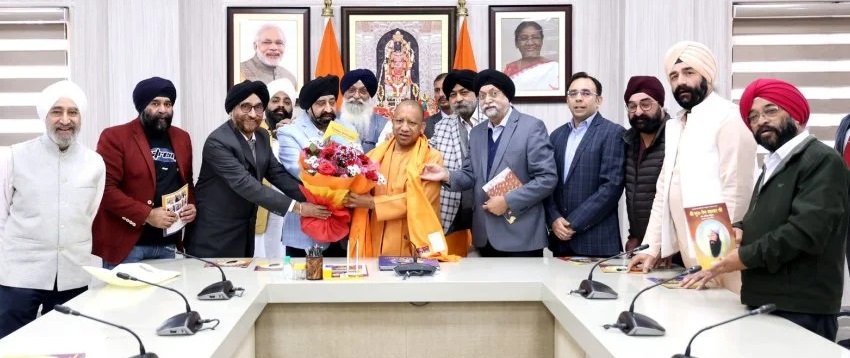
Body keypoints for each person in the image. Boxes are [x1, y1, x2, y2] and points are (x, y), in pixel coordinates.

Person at [681, 78, 850, 342]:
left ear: (796, 115)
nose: (761, 121)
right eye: (753, 116)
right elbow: (767, 218)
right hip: (767, 301)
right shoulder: (773, 163)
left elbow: (804, 233)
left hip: (801, 309)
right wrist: (740, 230)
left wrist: (741, 258)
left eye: (771, 111)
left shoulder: (822, 161)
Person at [629, 41, 757, 293]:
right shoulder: (677, 125)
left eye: (689, 73)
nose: (680, 82)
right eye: (674, 76)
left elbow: (737, 190)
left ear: (707, 76)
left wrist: (716, 257)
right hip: (690, 248)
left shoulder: (730, 117)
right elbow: (663, 189)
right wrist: (651, 247)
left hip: (720, 253)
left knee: (725, 320)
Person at [0, 80, 106, 339]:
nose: (65, 120)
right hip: (20, 275)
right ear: (44, 116)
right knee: (11, 344)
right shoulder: (14, 156)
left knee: (65, 345)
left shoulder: (95, 163)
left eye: (73, 112)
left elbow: (89, 213)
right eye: (56, 111)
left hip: (73, 274)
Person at [421, 69, 557, 257]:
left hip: (520, 235)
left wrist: (507, 201)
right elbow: (470, 174)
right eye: (482, 95)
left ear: (507, 96)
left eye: (494, 93)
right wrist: (446, 175)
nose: (487, 100)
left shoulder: (531, 127)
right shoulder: (477, 133)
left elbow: (547, 179)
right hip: (484, 234)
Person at [187, 80, 330, 258]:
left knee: (243, 285)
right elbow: (247, 185)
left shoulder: (262, 136)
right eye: (246, 107)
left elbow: (277, 174)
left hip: (244, 232)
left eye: (258, 107)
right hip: (214, 235)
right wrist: (299, 207)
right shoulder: (218, 142)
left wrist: (320, 198)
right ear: (232, 110)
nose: (253, 114)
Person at [93, 77, 196, 267]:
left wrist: (190, 205)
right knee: (128, 297)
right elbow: (105, 190)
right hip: (128, 246)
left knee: (168, 297)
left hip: (168, 244)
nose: (163, 109)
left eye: (168, 104)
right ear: (142, 106)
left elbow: (186, 182)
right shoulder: (115, 137)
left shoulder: (182, 138)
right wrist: (148, 215)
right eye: (155, 103)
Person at [344, 100, 444, 256]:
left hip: (414, 245)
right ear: (392, 122)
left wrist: (373, 203)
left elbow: (419, 200)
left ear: (422, 128)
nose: (404, 128)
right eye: (399, 121)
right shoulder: (375, 156)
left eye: (411, 123)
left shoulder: (431, 158)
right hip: (377, 242)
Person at [545, 72, 625, 258]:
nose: (578, 98)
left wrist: (572, 224)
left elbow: (610, 188)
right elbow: (547, 183)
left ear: (599, 100)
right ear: (567, 100)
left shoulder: (613, 133)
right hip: (560, 242)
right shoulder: (556, 136)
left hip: (597, 241)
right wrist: (554, 219)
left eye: (586, 93)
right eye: (573, 94)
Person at [278, 75, 357, 257]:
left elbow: (358, 166)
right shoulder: (289, 132)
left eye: (331, 102)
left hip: (341, 226)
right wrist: (327, 148)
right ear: (308, 107)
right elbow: (301, 171)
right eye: (321, 103)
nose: (328, 109)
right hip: (304, 228)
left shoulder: (348, 129)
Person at [428, 70, 480, 256]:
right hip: (453, 202)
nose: (458, 99)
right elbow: (427, 151)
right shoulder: (442, 126)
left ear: (477, 93)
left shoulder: (492, 120)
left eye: (464, 92)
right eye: (453, 94)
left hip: (487, 203)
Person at [622, 76, 670, 253]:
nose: (639, 112)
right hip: (643, 243)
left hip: (671, 247)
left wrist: (669, 245)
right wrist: (635, 236)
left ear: (660, 105)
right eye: (632, 106)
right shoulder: (627, 142)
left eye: (646, 104)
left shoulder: (677, 137)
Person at [254, 78, 298, 258]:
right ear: (265, 105)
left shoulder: (298, 132)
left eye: (287, 102)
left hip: (291, 210)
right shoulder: (255, 132)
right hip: (261, 207)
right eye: (275, 100)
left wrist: (291, 134)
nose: (281, 106)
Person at [339, 69, 389, 153]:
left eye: (363, 91)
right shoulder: (331, 121)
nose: (356, 96)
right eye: (351, 90)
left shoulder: (384, 126)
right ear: (344, 93)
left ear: (369, 95)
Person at [502, 21, 559, 91]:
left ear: (542, 40)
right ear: (516, 42)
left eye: (535, 37)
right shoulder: (508, 70)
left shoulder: (555, 68)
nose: (530, 43)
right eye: (524, 38)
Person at [424, 72, 451, 138]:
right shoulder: (426, 125)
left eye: (445, 89)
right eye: (437, 90)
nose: (441, 94)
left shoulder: (466, 120)